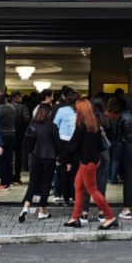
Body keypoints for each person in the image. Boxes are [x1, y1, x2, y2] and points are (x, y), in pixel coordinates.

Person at [60, 99, 118, 230]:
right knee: (78, 185)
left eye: (77, 109)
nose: (75, 111)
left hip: (87, 162)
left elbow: (73, 144)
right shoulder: (94, 122)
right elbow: (98, 144)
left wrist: (61, 158)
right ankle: (75, 218)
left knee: (92, 190)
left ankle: (110, 217)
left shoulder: (82, 124)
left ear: (81, 110)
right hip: (92, 160)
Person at [18, 104, 60, 223]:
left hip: (34, 157)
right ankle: (42, 211)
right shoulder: (52, 126)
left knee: (33, 182)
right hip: (49, 157)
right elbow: (58, 144)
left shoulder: (32, 125)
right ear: (48, 113)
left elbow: (26, 143)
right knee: (46, 184)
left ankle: (26, 206)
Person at [80, 98, 111, 223]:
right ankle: (102, 212)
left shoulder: (88, 121)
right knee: (101, 183)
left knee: (87, 183)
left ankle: (85, 212)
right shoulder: (105, 120)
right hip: (104, 153)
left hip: (90, 154)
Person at [53, 90, 80, 204]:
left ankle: (65, 197)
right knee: (76, 170)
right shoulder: (80, 110)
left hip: (63, 142)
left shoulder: (61, 110)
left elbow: (56, 124)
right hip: (77, 142)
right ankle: (75, 196)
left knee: (64, 170)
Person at [9, 90, 31, 184]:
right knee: (18, 157)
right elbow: (27, 121)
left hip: (7, 135)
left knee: (9, 158)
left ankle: (8, 177)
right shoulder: (23, 107)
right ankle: (16, 177)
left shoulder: (6, 107)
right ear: (17, 97)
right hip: (19, 135)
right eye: (20, 96)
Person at [0, 93, 15, 191]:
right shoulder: (12, 108)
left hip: (2, 134)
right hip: (11, 134)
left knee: (2, 159)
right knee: (9, 158)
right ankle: (9, 180)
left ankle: (3, 182)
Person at [106, 97, 123, 184]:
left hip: (108, 140)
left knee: (108, 160)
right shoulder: (120, 115)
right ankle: (113, 179)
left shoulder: (106, 115)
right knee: (116, 160)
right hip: (118, 140)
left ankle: (108, 177)